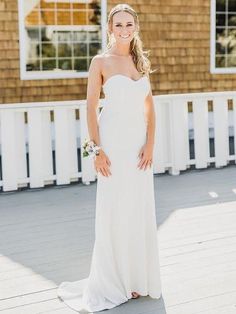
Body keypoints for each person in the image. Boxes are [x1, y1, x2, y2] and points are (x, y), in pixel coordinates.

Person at [57, 3, 162, 312]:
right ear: (110, 28)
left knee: (137, 210)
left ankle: (134, 279)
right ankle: (113, 280)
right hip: (113, 146)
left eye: (129, 24)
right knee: (115, 211)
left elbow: (149, 108)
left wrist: (151, 145)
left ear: (136, 27)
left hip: (138, 148)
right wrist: (97, 150)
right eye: (119, 25)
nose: (124, 29)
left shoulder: (139, 61)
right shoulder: (100, 61)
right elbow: (90, 107)